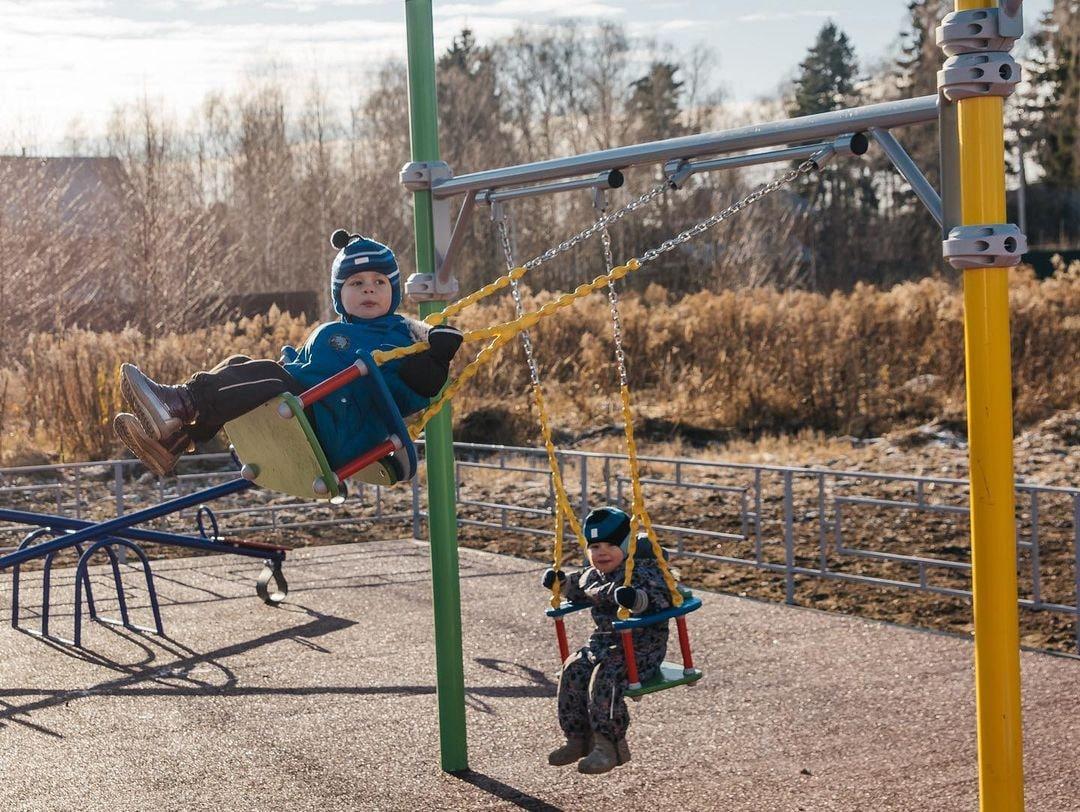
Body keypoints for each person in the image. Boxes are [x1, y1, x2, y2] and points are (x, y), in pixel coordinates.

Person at [114, 229, 463, 478]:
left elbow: (410, 395)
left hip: (339, 429)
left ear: (394, 291)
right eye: (356, 283)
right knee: (240, 365)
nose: (369, 287)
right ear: (339, 295)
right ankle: (177, 438)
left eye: (379, 282)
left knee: (271, 377)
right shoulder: (343, 330)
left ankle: (181, 402)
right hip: (315, 412)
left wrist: (434, 362)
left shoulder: (398, 339)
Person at [541, 506, 673, 774]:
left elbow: (663, 597)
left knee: (605, 676)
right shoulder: (593, 574)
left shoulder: (643, 571)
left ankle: (609, 745)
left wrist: (635, 600)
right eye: (595, 546)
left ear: (628, 545)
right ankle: (577, 738)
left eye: (612, 545)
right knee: (573, 668)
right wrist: (561, 583)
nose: (602, 552)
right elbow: (578, 590)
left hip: (641, 650)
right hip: (603, 645)